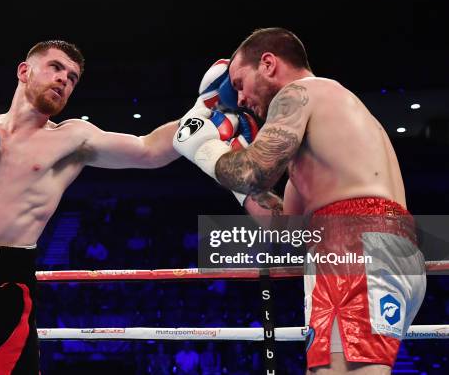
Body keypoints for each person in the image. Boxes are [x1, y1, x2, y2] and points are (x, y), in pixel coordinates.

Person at [0, 40, 180, 374]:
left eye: (72, 78)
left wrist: (206, 113)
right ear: (24, 71)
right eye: (56, 68)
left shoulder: (72, 139)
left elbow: (149, 150)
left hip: (4, 288)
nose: (64, 80)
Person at [173, 28, 426, 374]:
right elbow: (285, 227)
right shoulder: (326, 125)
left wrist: (206, 150)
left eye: (240, 82)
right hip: (366, 243)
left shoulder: (299, 93)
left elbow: (254, 170)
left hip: (353, 243)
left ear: (268, 63)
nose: (240, 98)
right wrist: (237, 180)